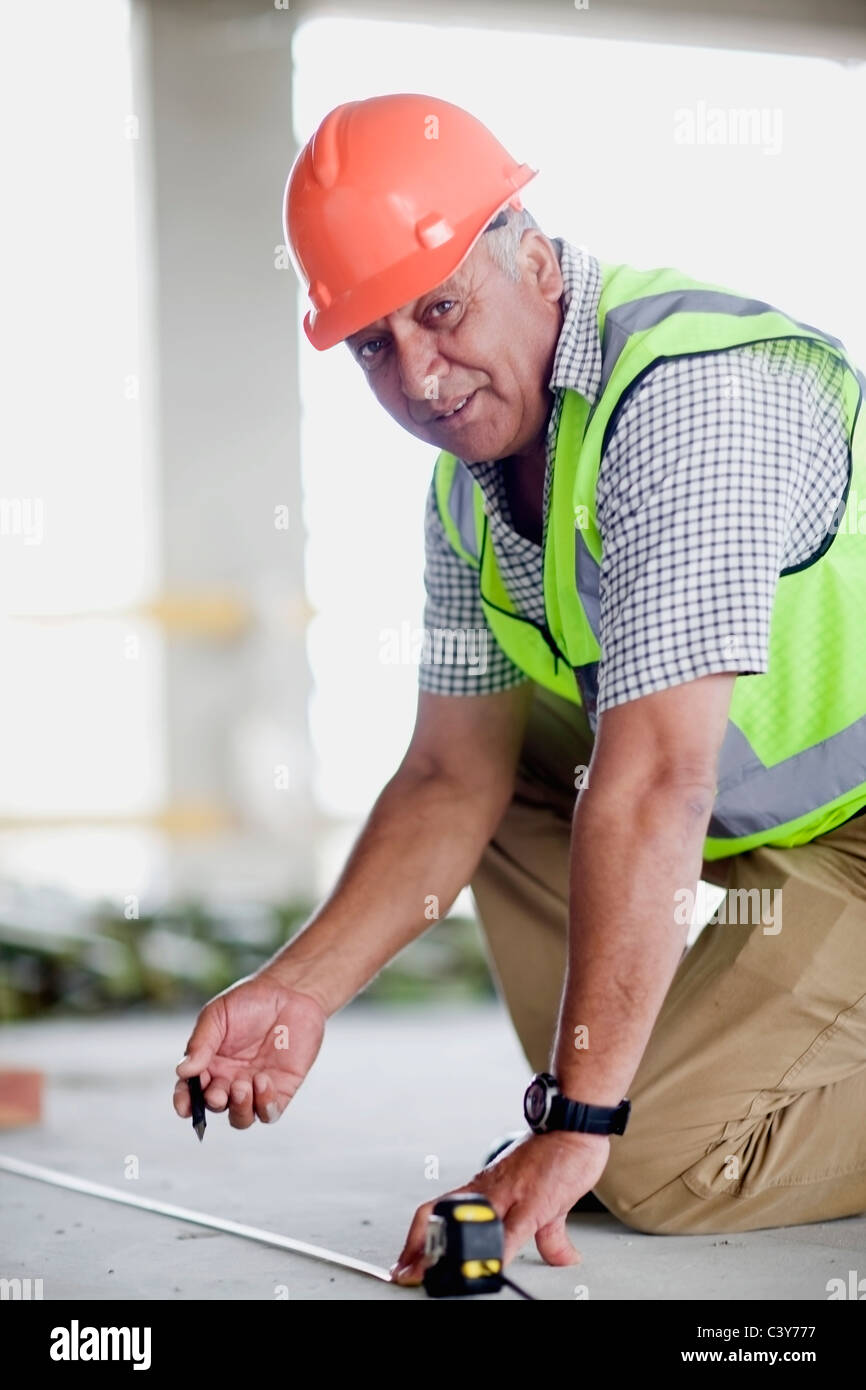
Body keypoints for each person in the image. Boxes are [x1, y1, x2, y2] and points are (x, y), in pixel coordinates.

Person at [174, 93, 866, 1286]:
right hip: (767, 829)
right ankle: (627, 1070)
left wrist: (582, 1121)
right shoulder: (470, 487)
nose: (417, 377)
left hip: (842, 830)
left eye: (438, 310)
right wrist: (298, 987)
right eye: (372, 346)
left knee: (658, 1161)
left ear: (535, 261)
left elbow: (657, 778)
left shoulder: (695, 399)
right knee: (510, 755)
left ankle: (619, 1104)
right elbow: (449, 777)